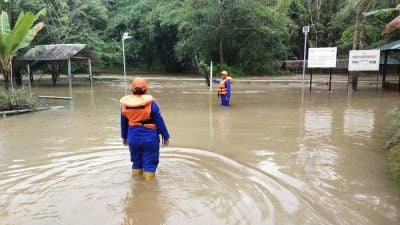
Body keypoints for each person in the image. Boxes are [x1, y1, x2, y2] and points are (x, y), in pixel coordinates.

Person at [120, 77, 170, 180]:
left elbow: (123, 124)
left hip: (133, 138)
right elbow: (159, 122)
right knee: (150, 163)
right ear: (146, 90)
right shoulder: (152, 105)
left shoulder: (125, 105)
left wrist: (124, 138)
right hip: (149, 138)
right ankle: (149, 189)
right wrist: (166, 137)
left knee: (136, 162)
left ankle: (137, 186)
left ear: (131, 90)